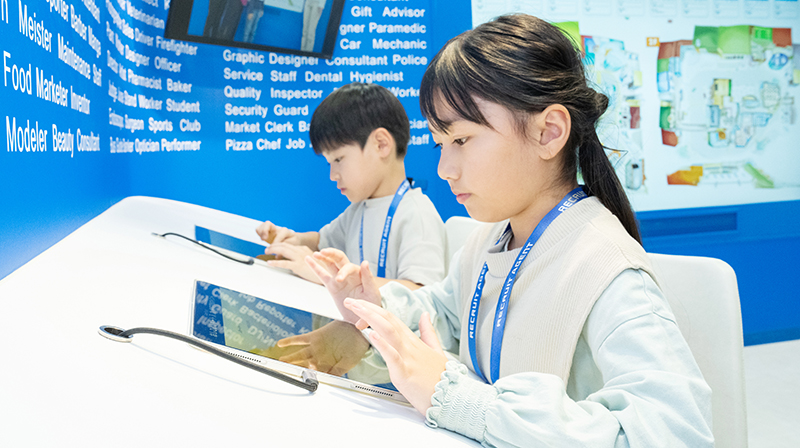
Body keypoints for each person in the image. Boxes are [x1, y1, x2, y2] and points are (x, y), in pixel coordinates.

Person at [304, 14, 714, 447]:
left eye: (461, 140)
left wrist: (460, 400)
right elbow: (444, 311)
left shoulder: (610, 272)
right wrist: (378, 314)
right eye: (440, 144)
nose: (444, 168)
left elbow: (676, 433)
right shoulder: (491, 238)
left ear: (548, 133)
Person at [256, 82, 447, 291]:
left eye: (338, 159)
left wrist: (335, 277)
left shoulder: (417, 216)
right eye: (329, 163)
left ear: (381, 144)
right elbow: (323, 241)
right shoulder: (360, 209)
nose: (332, 175)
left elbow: (421, 293)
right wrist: (294, 240)